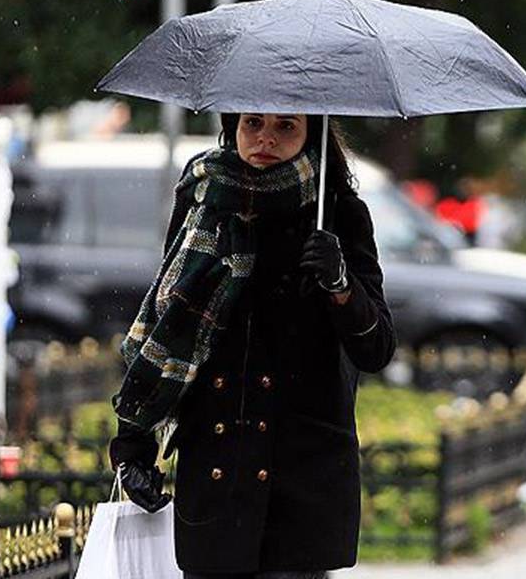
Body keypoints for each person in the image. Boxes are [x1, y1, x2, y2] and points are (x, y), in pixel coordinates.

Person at [108, 113, 395, 579]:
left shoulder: (337, 212)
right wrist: (133, 442)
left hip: (300, 480)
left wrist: (340, 284)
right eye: (253, 123)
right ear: (232, 126)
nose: (265, 138)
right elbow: (168, 325)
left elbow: (377, 347)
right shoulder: (203, 201)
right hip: (217, 469)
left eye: (286, 127)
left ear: (311, 135)